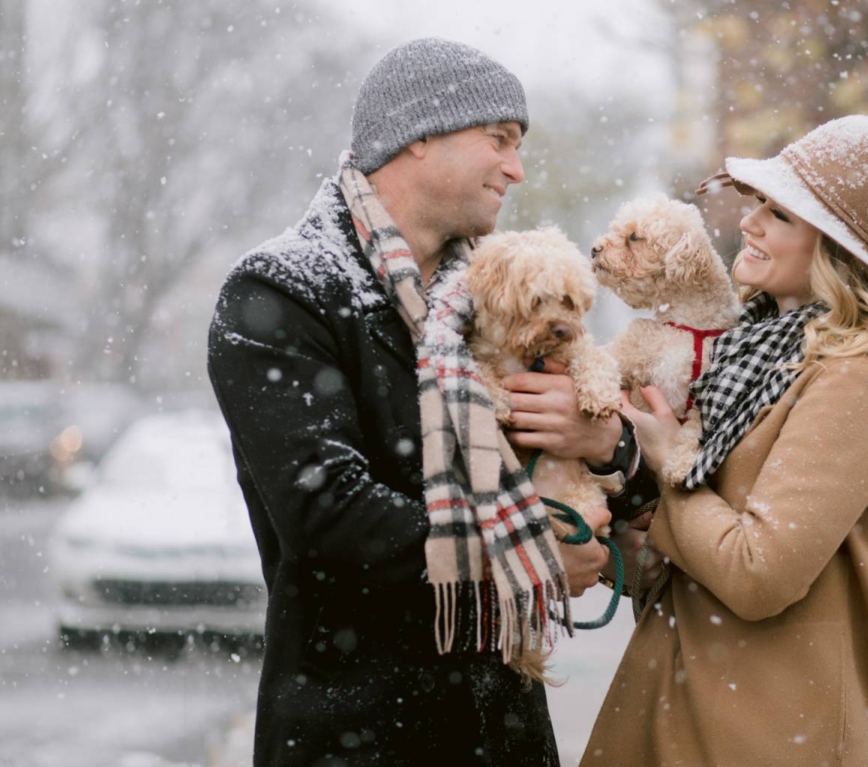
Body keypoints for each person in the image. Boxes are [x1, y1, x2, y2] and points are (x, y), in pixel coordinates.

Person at [207, 38, 636, 766]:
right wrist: (523, 561)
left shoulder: (498, 301)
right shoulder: (282, 293)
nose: (517, 168)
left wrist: (608, 446)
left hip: (503, 729)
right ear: (418, 137)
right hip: (358, 729)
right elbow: (327, 512)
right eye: (499, 140)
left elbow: (617, 493)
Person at [581, 115, 868, 767]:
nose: (749, 222)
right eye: (756, 205)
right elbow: (691, 544)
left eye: (780, 214)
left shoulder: (859, 376)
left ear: (838, 248)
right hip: (688, 705)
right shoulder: (752, 349)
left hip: (768, 733)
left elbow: (756, 573)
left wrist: (665, 458)